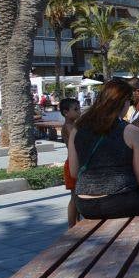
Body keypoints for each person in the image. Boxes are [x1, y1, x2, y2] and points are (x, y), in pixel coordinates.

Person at [68, 78, 139, 221]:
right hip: (120, 202)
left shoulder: (77, 129)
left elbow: (74, 172)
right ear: (123, 102)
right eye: (129, 101)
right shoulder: (131, 131)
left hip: (85, 204)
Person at [59, 97, 81, 227]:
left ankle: (77, 222)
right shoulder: (68, 127)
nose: (79, 112)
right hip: (72, 164)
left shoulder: (74, 125)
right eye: (76, 109)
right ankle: (72, 225)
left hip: (76, 163)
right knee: (74, 197)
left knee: (77, 196)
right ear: (66, 112)